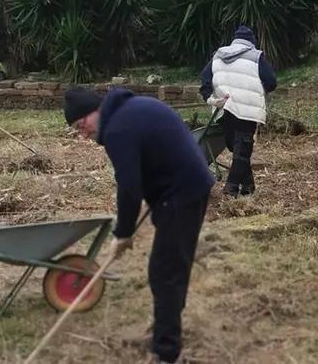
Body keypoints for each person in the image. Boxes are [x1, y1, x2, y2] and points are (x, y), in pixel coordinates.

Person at [63, 85, 215, 364]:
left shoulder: (118, 129)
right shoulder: (129, 111)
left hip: (181, 192)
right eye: (76, 130)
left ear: (93, 111)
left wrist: (123, 233)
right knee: (171, 268)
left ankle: (167, 353)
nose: (82, 134)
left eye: (81, 124)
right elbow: (145, 163)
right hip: (183, 186)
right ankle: (165, 329)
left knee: (164, 272)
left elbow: (129, 188)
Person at [199, 25, 278, 197]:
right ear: (252, 42)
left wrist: (210, 98)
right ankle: (231, 187)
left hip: (223, 109)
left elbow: (205, 79)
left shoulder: (218, 55)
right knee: (242, 148)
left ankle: (248, 185)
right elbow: (271, 82)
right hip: (246, 110)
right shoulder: (256, 57)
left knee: (237, 148)